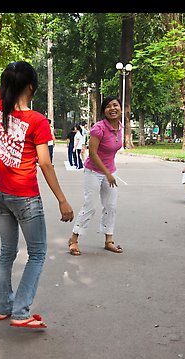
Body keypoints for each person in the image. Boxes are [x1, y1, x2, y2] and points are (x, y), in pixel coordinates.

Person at [0, 14, 74, 328]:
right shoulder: (37, 121)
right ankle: (20, 311)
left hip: (0, 194)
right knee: (37, 253)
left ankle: (5, 306)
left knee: (7, 250)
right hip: (25, 197)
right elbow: (45, 163)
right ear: (32, 87)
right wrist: (62, 199)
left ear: (7, 86)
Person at [68, 96, 123, 255]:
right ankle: (73, 239)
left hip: (110, 171)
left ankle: (108, 241)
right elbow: (92, 154)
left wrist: (110, 172)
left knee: (111, 206)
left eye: (115, 105)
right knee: (90, 206)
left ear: (120, 108)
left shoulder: (120, 127)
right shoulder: (98, 128)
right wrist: (107, 173)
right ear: (103, 111)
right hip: (93, 171)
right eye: (108, 107)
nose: (112, 109)